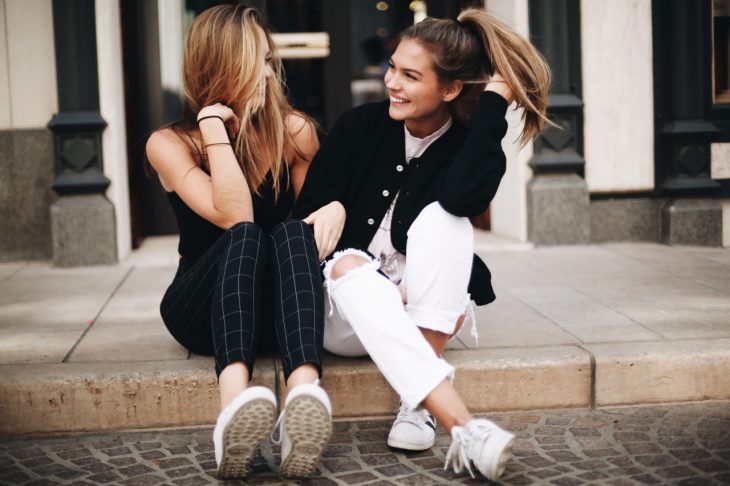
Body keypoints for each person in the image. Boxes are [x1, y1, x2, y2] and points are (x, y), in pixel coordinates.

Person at [294, 7, 550, 482]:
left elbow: (461, 199)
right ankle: (458, 422)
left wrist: (494, 104)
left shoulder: (470, 142)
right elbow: (302, 228)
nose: (392, 81)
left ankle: (415, 406)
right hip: (343, 313)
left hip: (421, 308)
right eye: (393, 66)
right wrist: (331, 208)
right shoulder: (359, 127)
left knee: (445, 219)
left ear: (450, 89)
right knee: (350, 265)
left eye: (411, 75)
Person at [145, 5, 331, 480]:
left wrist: (336, 207)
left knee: (291, 231)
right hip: (201, 310)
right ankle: (232, 411)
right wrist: (212, 127)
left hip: (275, 312)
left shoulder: (295, 132)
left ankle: (304, 404)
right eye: (258, 62)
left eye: (271, 60)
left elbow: (314, 228)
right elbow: (235, 214)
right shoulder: (169, 143)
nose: (270, 73)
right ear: (222, 64)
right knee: (246, 234)